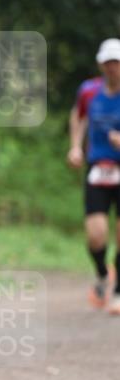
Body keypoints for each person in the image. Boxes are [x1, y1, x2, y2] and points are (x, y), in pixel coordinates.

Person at [68, 38, 120, 315]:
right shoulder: (89, 91)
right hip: (98, 167)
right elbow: (78, 116)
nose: (113, 68)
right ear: (101, 64)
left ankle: (119, 293)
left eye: (117, 63)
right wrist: (75, 146)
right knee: (96, 235)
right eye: (108, 63)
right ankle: (102, 273)